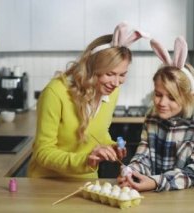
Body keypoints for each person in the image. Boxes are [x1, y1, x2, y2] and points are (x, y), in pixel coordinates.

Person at [27, 23, 150, 178]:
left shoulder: (112, 92)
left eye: (122, 74)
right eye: (110, 73)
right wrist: (85, 160)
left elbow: (97, 133)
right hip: (47, 184)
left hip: (86, 183)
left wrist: (110, 146)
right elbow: (42, 151)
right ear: (92, 68)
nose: (116, 82)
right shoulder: (55, 92)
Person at [117, 36, 194, 191]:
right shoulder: (153, 117)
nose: (161, 103)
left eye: (172, 97)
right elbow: (143, 157)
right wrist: (132, 172)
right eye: (158, 94)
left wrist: (156, 182)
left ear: (188, 96)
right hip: (159, 196)